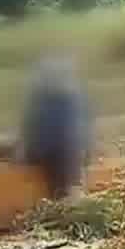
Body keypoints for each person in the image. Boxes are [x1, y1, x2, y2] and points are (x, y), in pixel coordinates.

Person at [19, 55, 91, 198]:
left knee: (67, 142)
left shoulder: (60, 100)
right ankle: (71, 189)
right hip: (61, 155)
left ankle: (68, 190)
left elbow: (36, 141)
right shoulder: (69, 98)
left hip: (58, 155)